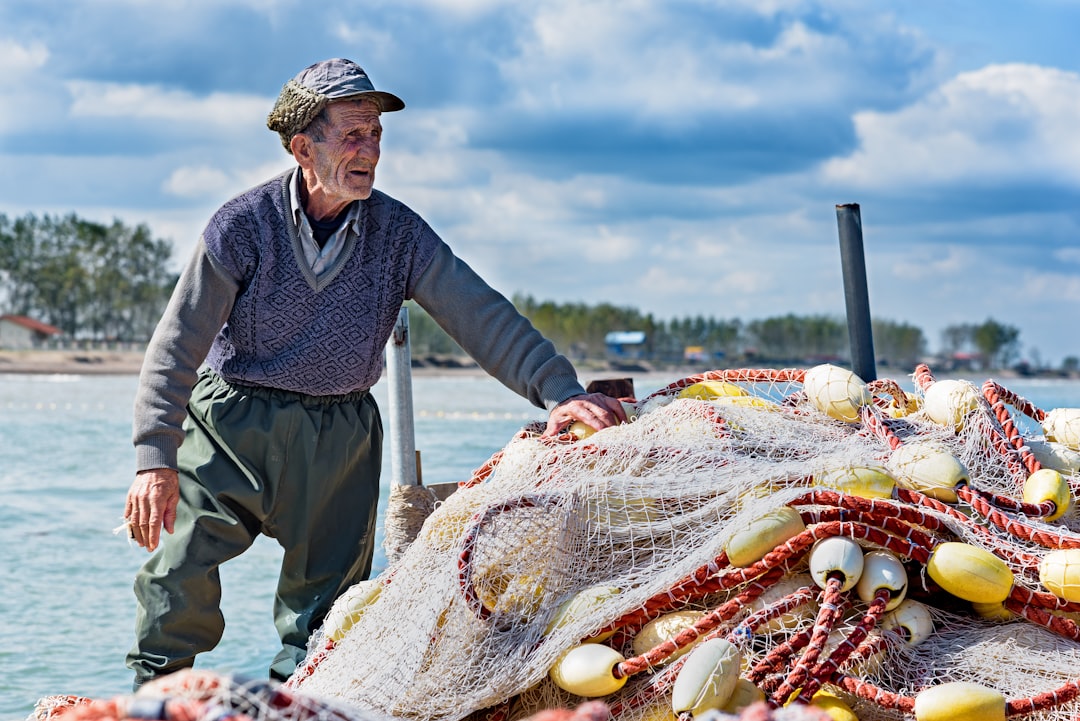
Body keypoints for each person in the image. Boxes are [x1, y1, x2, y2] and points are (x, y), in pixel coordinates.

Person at [123, 58, 626, 688]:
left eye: (377, 135)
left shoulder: (399, 234)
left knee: (326, 613)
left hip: (341, 436)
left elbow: (479, 314)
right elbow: (175, 346)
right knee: (178, 573)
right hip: (231, 424)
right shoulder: (241, 226)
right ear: (302, 146)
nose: (371, 151)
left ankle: (294, 704)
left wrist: (559, 391)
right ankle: (152, 700)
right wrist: (154, 459)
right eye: (353, 135)